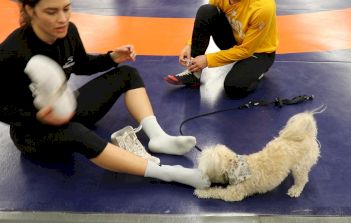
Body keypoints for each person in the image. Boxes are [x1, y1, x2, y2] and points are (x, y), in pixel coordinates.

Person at [0, 0, 210, 189]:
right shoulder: (13, 51)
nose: (62, 18)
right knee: (77, 132)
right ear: (30, 10)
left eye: (66, 9)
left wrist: (111, 58)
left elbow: (80, 64)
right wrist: (36, 116)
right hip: (32, 133)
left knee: (127, 74)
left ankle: (158, 137)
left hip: (66, 108)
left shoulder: (68, 31)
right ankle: (168, 173)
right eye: (51, 12)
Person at [164, 0, 278, 99]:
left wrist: (208, 60)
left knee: (234, 89)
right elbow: (205, 20)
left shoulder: (263, 6)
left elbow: (246, 50)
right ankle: (194, 73)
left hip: (258, 51)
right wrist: (190, 45)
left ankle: (258, 71)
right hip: (234, 41)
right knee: (207, 11)